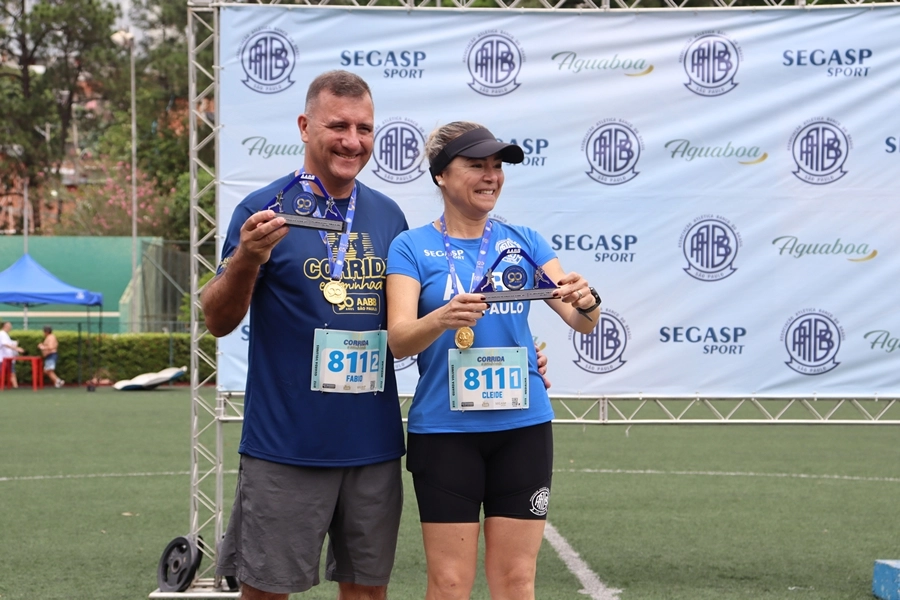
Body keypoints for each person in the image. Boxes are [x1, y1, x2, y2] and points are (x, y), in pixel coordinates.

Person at [202, 71, 407, 600]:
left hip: (372, 446)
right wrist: (247, 258)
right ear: (304, 125)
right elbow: (217, 319)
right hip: (285, 446)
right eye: (337, 125)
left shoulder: (389, 215)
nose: (352, 141)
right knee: (266, 590)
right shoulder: (264, 210)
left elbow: (415, 320)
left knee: (367, 592)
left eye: (364, 128)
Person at [385, 121, 602, 600]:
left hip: (522, 430)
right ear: (441, 174)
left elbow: (580, 319)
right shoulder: (411, 246)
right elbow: (398, 341)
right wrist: (442, 318)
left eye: (497, 166)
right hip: (444, 434)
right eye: (476, 165)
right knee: (448, 584)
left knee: (516, 581)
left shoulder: (524, 240)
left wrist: (587, 299)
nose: (491, 176)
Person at [0, 321, 25, 389]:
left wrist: (15, 344)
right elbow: (5, 344)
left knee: (12, 372)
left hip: (9, 358)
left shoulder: (6, 335)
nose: (11, 326)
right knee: (7, 373)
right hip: (3, 359)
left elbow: (9, 344)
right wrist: (17, 348)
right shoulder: (2, 334)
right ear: (5, 326)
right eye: (9, 325)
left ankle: (15, 386)